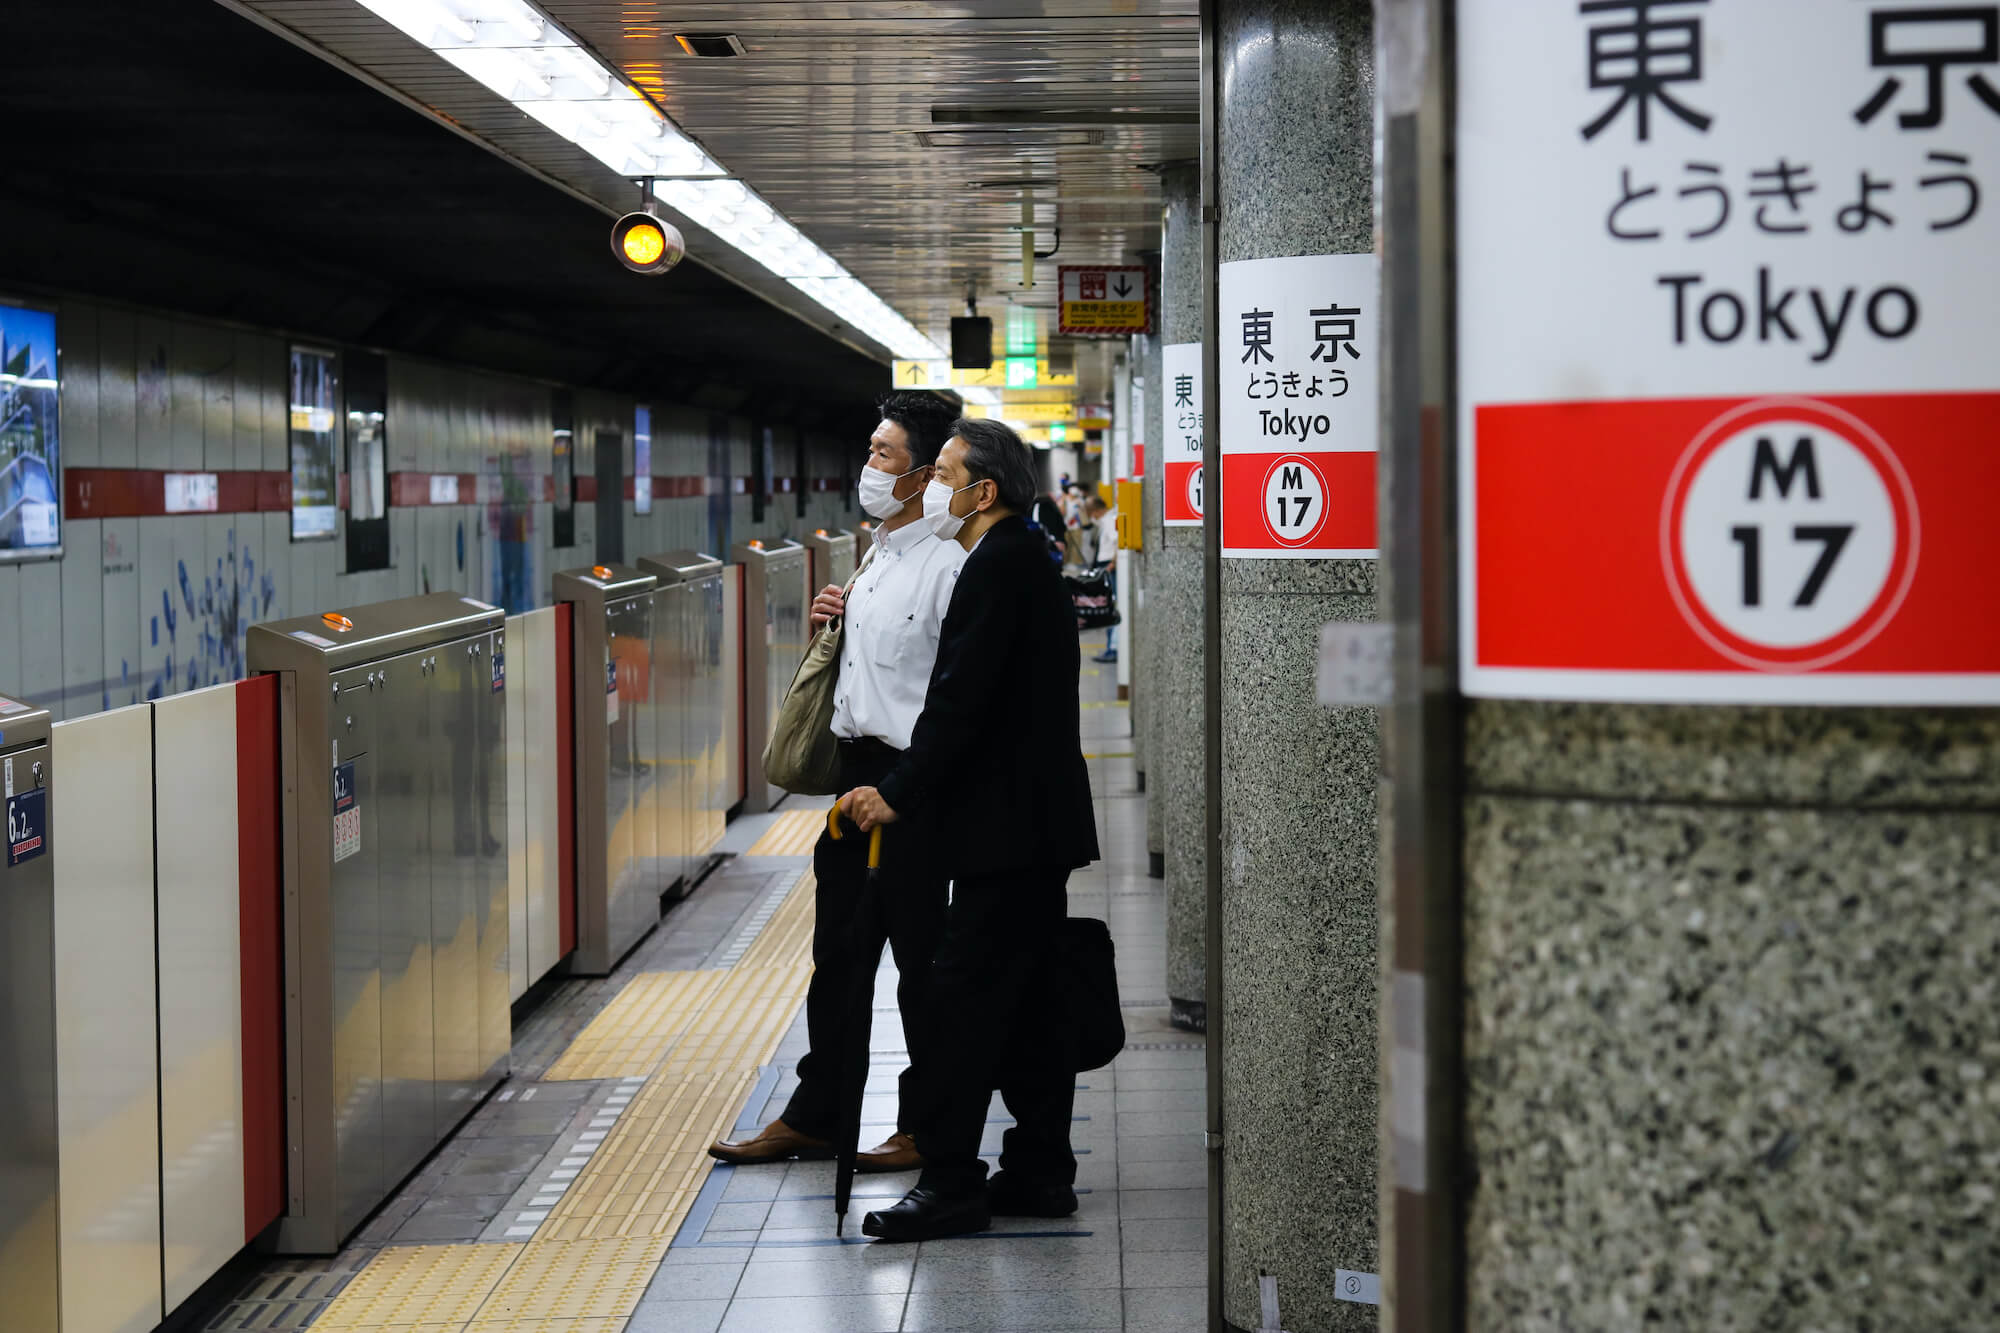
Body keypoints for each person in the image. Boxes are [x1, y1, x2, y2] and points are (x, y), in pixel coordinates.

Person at [838, 417, 1100, 1242]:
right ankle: (1040, 1170)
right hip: (1030, 826)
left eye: (944, 472)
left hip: (1004, 830)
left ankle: (951, 1180)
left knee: (957, 1000)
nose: (932, 486)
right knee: (1024, 1001)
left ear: (981, 490)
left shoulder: (996, 566)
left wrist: (897, 792)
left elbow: (960, 705)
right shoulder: (1024, 560)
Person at [708, 390, 965, 1175]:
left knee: (921, 964)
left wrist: (911, 787)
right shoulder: (874, 557)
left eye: (883, 454)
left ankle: (926, 1124)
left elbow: (954, 694)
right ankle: (819, 1114)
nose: (868, 467)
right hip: (852, 783)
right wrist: (835, 617)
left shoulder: (949, 567)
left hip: (909, 784)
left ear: (923, 476)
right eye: (869, 449)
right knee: (838, 955)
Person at [1086, 493, 1118, 663]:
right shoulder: (1107, 520)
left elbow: (1117, 543)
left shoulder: (1109, 520)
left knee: (1108, 606)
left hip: (1108, 566)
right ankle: (1110, 648)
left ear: (1095, 511)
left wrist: (1112, 563)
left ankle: (1112, 649)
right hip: (1105, 565)